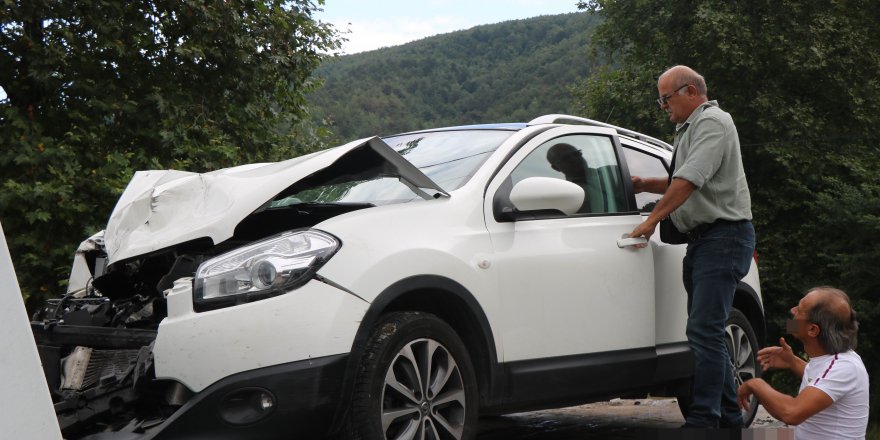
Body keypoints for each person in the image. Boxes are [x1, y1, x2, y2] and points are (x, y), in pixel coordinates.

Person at [628, 65, 755, 428]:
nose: (663, 106)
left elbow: (690, 179)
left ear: (691, 92)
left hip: (723, 237)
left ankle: (704, 419)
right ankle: (730, 417)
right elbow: (677, 180)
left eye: (665, 98)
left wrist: (651, 220)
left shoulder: (712, 122)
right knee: (706, 331)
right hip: (704, 242)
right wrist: (643, 184)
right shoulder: (690, 128)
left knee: (704, 331)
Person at [737, 286, 868, 439]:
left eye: (799, 310)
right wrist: (792, 362)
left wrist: (755, 384)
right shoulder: (839, 359)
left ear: (812, 330)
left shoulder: (844, 368)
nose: (792, 311)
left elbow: (791, 413)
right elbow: (821, 381)